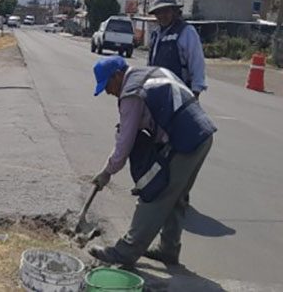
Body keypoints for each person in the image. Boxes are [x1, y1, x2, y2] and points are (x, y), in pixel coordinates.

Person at [87, 56, 216, 267]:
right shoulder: (151, 73)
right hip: (202, 136)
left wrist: (107, 172)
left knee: (155, 192)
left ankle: (125, 252)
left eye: (107, 86)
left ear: (117, 75)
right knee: (177, 195)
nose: (109, 92)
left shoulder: (131, 93)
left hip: (184, 142)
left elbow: (125, 143)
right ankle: (169, 249)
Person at [147, 0, 207, 98]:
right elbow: (150, 63)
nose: (162, 16)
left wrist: (195, 91)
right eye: (158, 12)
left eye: (166, 11)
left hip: (180, 93)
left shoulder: (187, 32)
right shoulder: (156, 34)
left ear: (175, 12)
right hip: (158, 92)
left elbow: (197, 63)